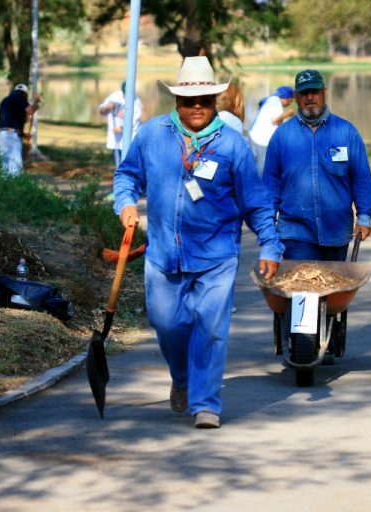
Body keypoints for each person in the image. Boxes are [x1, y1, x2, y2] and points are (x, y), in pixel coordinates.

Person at [112, 56, 283, 429]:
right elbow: (126, 176)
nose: (197, 107)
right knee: (166, 324)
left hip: (216, 255)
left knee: (210, 328)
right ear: (177, 101)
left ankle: (206, 403)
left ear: (214, 101)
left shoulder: (232, 145)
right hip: (162, 254)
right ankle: (183, 379)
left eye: (205, 100)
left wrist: (270, 246)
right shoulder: (153, 135)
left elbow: (255, 201)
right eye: (190, 101)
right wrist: (125, 203)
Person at [263, 69, 371, 263]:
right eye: (304, 93)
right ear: (296, 97)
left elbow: (361, 178)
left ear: (324, 93)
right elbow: (270, 185)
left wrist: (365, 216)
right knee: (304, 291)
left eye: (314, 92)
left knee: (332, 290)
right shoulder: (281, 137)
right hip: (295, 233)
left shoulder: (346, 132)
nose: (310, 97)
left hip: (337, 231)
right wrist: (266, 225)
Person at [248, 85, 295, 175]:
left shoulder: (270, 100)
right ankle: (260, 187)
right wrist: (288, 113)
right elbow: (275, 120)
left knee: (254, 165)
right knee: (262, 168)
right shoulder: (275, 102)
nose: (290, 103)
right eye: (291, 100)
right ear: (286, 99)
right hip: (261, 140)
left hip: (254, 136)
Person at [0, 84, 39, 176]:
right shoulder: (20, 98)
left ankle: (5, 188)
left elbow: (10, 122)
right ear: (25, 94)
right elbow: (31, 111)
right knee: (15, 164)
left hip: (2, 135)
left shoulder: (5, 100)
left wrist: (23, 134)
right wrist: (36, 101)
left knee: (5, 164)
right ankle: (15, 187)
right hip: (12, 136)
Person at [99, 81, 144, 168]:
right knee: (118, 165)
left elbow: (135, 122)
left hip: (130, 140)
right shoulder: (114, 97)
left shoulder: (136, 101)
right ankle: (119, 180)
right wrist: (107, 107)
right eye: (125, 93)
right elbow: (101, 111)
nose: (127, 95)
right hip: (116, 139)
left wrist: (122, 128)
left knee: (129, 165)